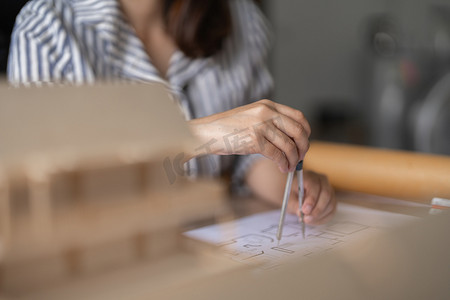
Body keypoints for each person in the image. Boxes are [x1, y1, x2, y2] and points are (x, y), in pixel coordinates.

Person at [8, 0, 336, 225]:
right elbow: (43, 182)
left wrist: (286, 186)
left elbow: (245, 154)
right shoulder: (45, 27)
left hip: (216, 251)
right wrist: (199, 134)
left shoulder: (239, 16)